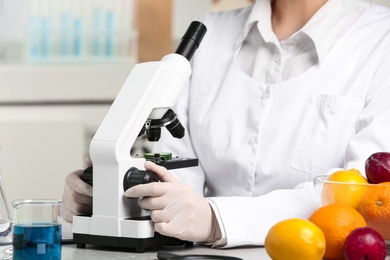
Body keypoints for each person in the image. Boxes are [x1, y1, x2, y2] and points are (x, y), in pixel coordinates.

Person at [62, 0, 390, 248]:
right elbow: (176, 172)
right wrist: (115, 199)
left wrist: (217, 220)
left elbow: (360, 196)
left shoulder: (380, 39)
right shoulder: (210, 32)